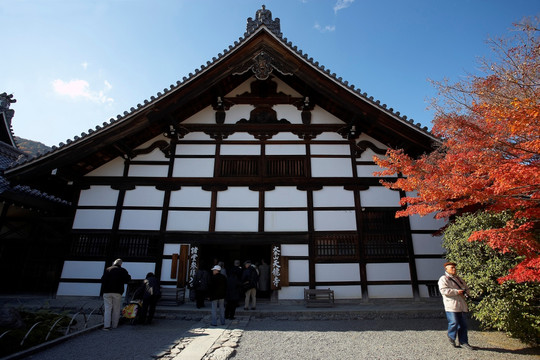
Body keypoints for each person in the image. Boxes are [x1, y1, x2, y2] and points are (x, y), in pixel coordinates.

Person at [438, 261, 474, 350]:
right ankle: (451, 336)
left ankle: (464, 342)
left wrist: (465, 292)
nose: (454, 269)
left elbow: (466, 288)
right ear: (446, 269)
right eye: (451, 268)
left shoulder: (459, 279)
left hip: (462, 304)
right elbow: (444, 291)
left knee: (463, 325)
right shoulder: (443, 279)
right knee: (454, 322)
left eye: (454, 268)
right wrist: (456, 292)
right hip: (451, 305)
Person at [101, 258, 131, 330]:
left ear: (114, 263)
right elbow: (128, 279)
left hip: (107, 291)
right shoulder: (123, 270)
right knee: (116, 309)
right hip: (117, 291)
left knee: (107, 308)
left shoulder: (108, 269)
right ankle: (115, 325)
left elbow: (102, 279)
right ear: (121, 264)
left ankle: (106, 326)